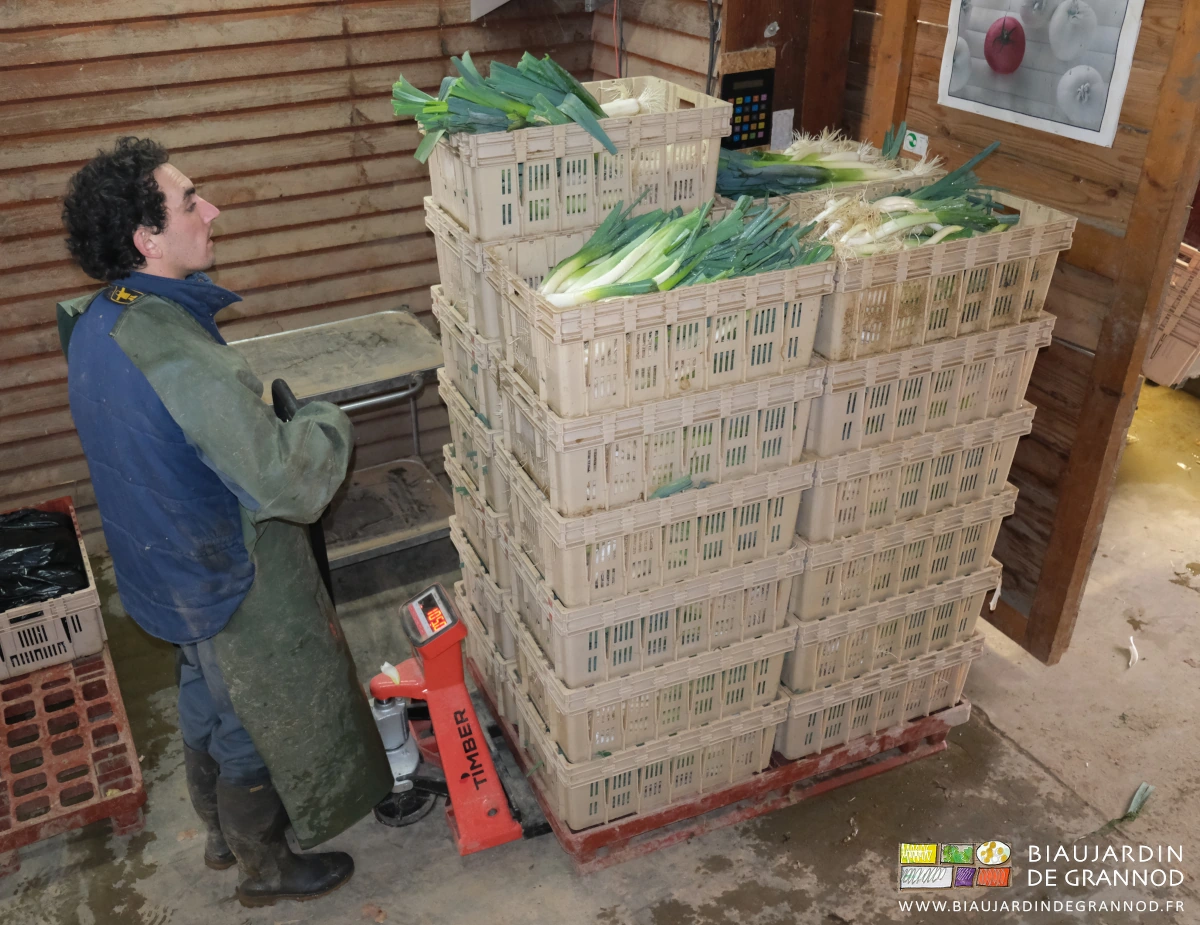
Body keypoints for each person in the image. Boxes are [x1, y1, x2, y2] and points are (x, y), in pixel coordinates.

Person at [58, 137, 393, 908]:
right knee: (250, 713)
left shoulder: (101, 319)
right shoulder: (174, 351)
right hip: (217, 570)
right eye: (190, 201)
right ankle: (264, 866)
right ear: (147, 238)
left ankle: (216, 831)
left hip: (159, 565)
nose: (212, 210)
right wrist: (322, 422)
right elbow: (287, 481)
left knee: (204, 691)